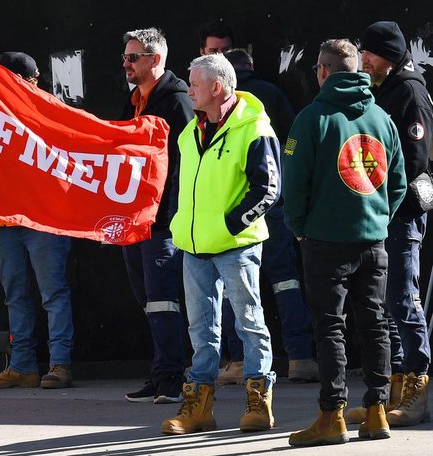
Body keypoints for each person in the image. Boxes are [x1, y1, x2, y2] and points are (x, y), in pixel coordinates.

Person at [284, 39, 407, 446]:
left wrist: (299, 227)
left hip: (324, 241)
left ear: (322, 69)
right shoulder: (381, 118)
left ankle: (331, 415)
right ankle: (376, 413)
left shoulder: (311, 118)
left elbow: (294, 183)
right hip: (373, 242)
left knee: (330, 329)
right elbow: (398, 183)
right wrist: (377, 220)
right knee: (375, 326)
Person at [163, 53, 280, 435]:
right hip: (194, 246)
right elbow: (182, 183)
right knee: (201, 329)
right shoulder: (190, 131)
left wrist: (231, 225)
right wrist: (179, 222)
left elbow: (269, 190)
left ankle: (259, 401)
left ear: (216, 87)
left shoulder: (255, 128)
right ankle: (199, 408)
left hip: (237, 245)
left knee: (249, 323)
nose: (188, 89)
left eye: (194, 84)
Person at [344, 21, 433, 428]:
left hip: (401, 212)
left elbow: (413, 161)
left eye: (370, 54)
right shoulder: (382, 88)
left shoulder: (409, 91)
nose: (364, 61)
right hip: (383, 212)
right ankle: (395, 390)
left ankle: (418, 384)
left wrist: (378, 193)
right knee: (384, 302)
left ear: (390, 55)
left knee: (403, 298)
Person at [214, 49, 318, 384]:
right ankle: (300, 357)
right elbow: (293, 138)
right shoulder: (271, 93)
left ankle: (239, 361)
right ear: (252, 67)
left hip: (233, 208)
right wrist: (282, 160)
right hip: (273, 203)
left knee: (234, 288)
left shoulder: (217, 103)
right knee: (285, 280)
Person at [0, 52, 74, 390]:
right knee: (16, 295)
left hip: (44, 221)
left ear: (23, 79)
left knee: (53, 294)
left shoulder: (50, 110)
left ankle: (59, 364)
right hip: (4, 220)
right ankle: (23, 366)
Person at [118, 28, 190, 404]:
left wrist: (171, 214)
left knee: (164, 301)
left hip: (161, 223)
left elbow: (183, 164)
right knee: (150, 301)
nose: (125, 63)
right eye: (126, 57)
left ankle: (172, 380)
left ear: (154, 59)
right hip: (134, 222)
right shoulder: (135, 100)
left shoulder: (176, 101)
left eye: (132, 57)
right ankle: (161, 372)